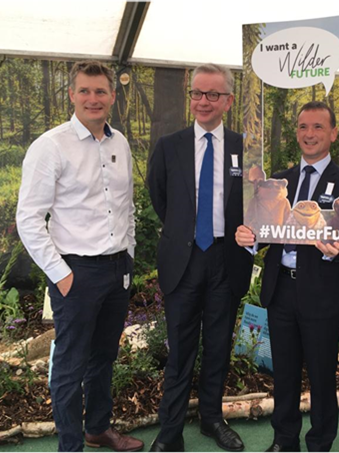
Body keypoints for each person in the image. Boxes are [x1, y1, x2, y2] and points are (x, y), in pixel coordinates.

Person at [16, 61, 142, 452]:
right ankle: (70, 445)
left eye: (100, 91)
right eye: (84, 91)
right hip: (76, 272)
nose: (93, 98)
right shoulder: (49, 146)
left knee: (104, 356)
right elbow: (28, 217)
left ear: (112, 97)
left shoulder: (120, 143)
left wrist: (130, 253)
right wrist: (61, 274)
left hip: (117, 269)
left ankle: (98, 429)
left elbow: (127, 207)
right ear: (71, 95)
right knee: (69, 366)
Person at [236, 101, 339, 452]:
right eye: (304, 127)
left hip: (322, 294)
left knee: (322, 376)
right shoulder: (279, 181)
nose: (310, 134)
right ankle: (284, 440)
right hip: (281, 292)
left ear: (333, 133)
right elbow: (262, 231)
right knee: (284, 375)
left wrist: (333, 249)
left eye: (318, 127)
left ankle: (320, 443)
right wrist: (249, 240)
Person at [146, 63, 253, 452]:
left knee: (219, 346)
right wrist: (183, 232)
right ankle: (170, 432)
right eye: (196, 93)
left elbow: (254, 205)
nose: (202, 101)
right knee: (180, 350)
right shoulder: (169, 146)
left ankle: (211, 419)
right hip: (183, 262)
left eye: (212, 94)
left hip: (227, 261)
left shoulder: (245, 147)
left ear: (227, 100)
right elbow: (160, 197)